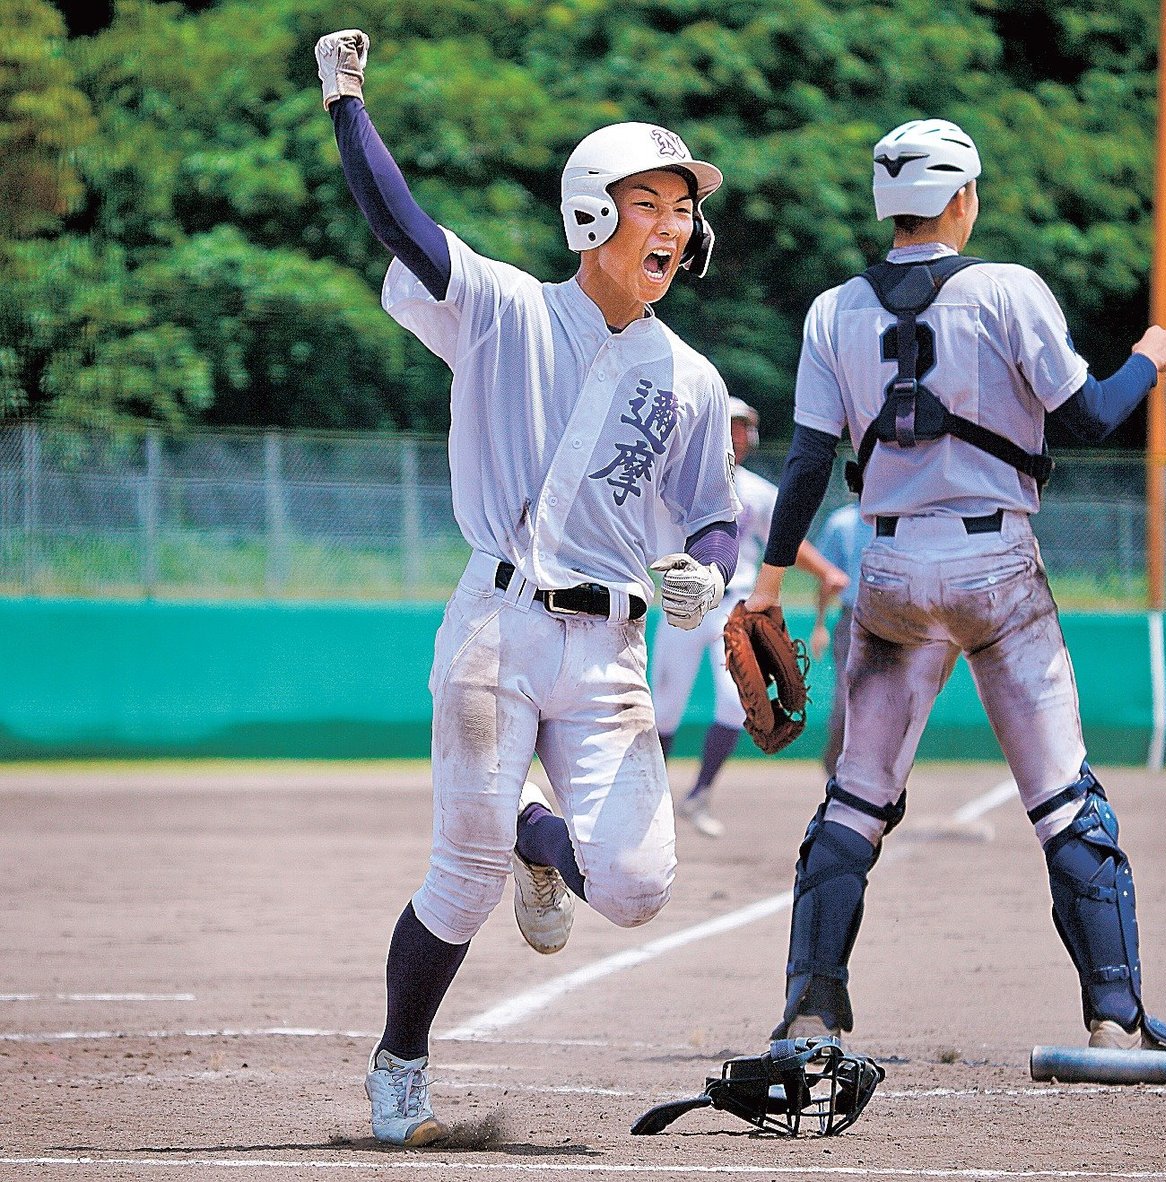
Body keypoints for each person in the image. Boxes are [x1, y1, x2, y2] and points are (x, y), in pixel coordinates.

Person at [315, 31, 743, 1146]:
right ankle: (402, 1064)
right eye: (651, 202)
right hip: (498, 630)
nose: (674, 225)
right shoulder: (502, 308)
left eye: (683, 208)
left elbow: (708, 515)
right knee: (459, 870)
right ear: (593, 215)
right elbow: (399, 226)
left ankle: (536, 839)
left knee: (639, 885)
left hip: (612, 653)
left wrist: (713, 584)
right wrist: (346, 99)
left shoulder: (689, 378)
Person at [744, 118, 1166, 1054]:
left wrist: (770, 582)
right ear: (960, 200)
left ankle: (809, 1010)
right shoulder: (1006, 288)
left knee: (857, 798)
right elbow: (1095, 416)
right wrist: (1150, 355)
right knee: (1065, 797)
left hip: (891, 565)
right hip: (996, 563)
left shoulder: (832, 310)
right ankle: (1115, 1018)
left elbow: (807, 463)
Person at [652, 398, 848, 837]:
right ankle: (650, 801)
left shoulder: (758, 491)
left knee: (737, 700)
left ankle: (699, 795)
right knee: (664, 710)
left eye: (745, 429)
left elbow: (785, 539)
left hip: (733, 607)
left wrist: (824, 570)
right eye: (732, 428)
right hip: (682, 604)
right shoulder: (674, 483)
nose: (738, 437)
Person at [808, 502, 873, 778]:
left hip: (893, 616)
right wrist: (820, 625)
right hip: (852, 617)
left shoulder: (900, 517)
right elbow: (827, 578)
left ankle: (869, 766)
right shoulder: (841, 522)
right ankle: (836, 762)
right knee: (847, 695)